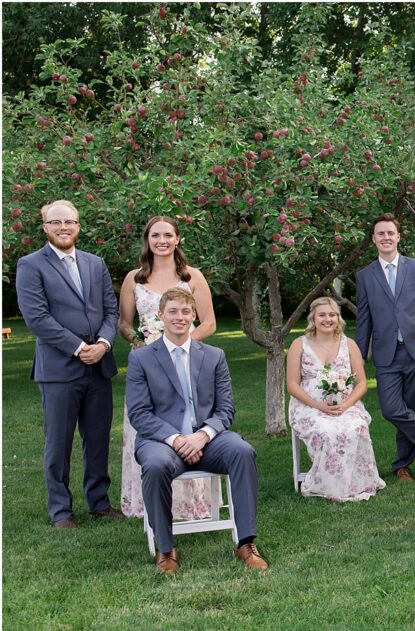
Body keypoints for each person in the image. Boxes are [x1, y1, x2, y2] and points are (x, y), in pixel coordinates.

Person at [126, 288, 267, 573]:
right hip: (162, 442)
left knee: (242, 451)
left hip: (208, 438)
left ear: (194, 316)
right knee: (154, 465)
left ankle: (246, 542)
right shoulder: (142, 359)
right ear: (160, 315)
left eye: (185, 312)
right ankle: (166, 549)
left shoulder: (214, 356)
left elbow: (226, 409)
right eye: (173, 311)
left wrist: (202, 435)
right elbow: (139, 414)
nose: (180, 317)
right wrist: (178, 439)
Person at [15, 200, 122, 528]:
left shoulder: (95, 263)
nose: (64, 227)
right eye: (56, 222)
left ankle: (99, 503)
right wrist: (79, 348)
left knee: (98, 438)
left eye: (70, 222)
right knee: (58, 442)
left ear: (78, 226)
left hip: (98, 367)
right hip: (59, 370)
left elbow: (110, 310)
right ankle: (61, 510)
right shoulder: (31, 265)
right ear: (45, 227)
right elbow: (37, 318)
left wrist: (103, 345)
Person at [117, 216, 216, 520]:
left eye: (168, 235)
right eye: (155, 235)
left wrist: (177, 347)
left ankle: (191, 505)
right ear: (147, 240)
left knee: (187, 422)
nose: (162, 241)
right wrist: (142, 344)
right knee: (148, 425)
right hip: (148, 367)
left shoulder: (192, 276)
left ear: (177, 239)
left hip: (186, 364)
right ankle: (149, 502)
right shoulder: (134, 279)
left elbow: (209, 323)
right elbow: (124, 323)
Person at [355, 213, 415, 482]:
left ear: (398, 236)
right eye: (380, 234)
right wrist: (357, 357)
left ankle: (402, 465)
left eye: (390, 233)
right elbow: (364, 319)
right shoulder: (365, 276)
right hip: (386, 354)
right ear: (373, 239)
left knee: (412, 411)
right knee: (392, 409)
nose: (386, 238)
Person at [287, 296, 384, 502]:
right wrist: (318, 405)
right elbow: (292, 384)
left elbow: (362, 383)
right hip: (308, 406)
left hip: (345, 405)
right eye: (322, 315)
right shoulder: (299, 344)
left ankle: (358, 482)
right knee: (327, 430)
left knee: (356, 426)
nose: (327, 319)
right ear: (313, 317)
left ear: (338, 318)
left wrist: (346, 405)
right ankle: (328, 484)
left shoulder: (349, 344)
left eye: (332, 315)